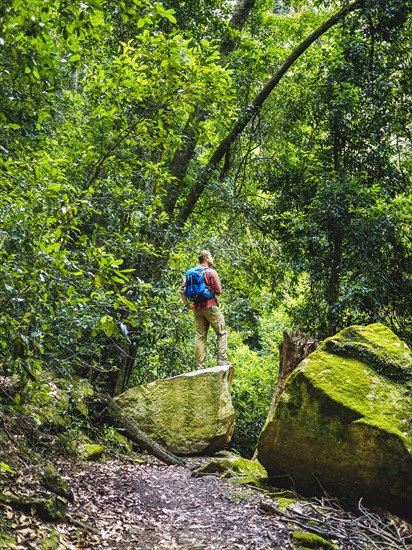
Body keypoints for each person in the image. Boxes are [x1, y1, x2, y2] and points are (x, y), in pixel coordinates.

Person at [180, 250, 231, 370]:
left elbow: (182, 291)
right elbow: (219, 291)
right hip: (210, 307)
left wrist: (187, 305)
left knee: (200, 337)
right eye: (211, 256)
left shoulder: (191, 273)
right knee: (221, 332)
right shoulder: (210, 272)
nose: (212, 259)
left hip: (197, 309)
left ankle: (200, 366)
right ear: (206, 258)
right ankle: (222, 360)